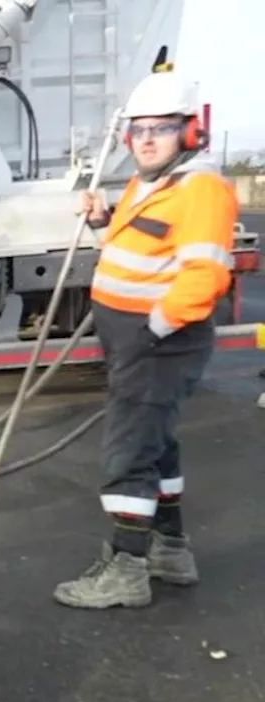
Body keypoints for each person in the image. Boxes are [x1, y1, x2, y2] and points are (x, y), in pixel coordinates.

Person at [53, 71, 238, 609]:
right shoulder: (151, 182)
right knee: (156, 444)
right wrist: (101, 220)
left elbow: (204, 279)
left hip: (160, 343)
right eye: (139, 129)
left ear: (189, 132)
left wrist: (149, 332)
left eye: (161, 128)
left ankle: (126, 570)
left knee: (128, 452)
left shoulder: (201, 189)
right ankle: (170, 551)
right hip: (134, 339)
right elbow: (136, 246)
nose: (148, 138)